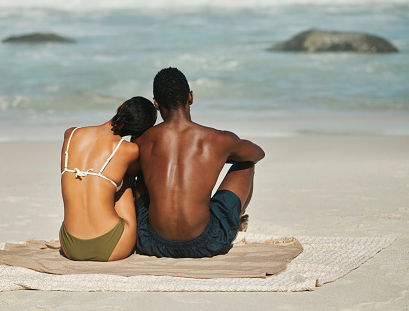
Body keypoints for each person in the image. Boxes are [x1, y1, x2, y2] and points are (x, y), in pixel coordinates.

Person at [134, 68, 265, 258]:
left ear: (156, 103)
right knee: (246, 163)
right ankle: (233, 219)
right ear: (191, 97)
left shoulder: (142, 141)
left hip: (151, 242)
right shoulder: (219, 140)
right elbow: (258, 154)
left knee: (138, 174)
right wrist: (221, 156)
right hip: (207, 243)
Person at [59, 96, 157, 261]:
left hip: (69, 245)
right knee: (124, 178)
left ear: (119, 106)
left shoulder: (71, 134)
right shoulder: (129, 150)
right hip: (113, 246)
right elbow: (134, 173)